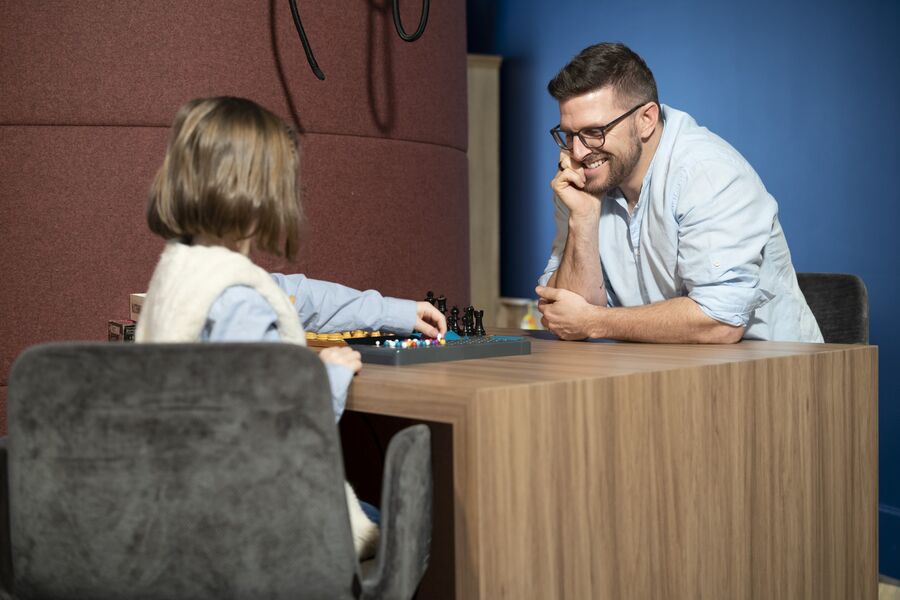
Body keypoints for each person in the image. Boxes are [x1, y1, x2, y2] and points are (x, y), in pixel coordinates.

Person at [135, 96, 446, 558]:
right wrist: (329, 375)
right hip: (252, 523)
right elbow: (270, 427)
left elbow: (301, 296)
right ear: (259, 188)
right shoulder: (237, 299)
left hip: (186, 508)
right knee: (411, 534)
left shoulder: (184, 272)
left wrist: (397, 313)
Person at [536, 43, 822, 344]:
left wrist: (596, 322)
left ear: (645, 119)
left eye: (595, 131)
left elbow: (720, 322)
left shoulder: (708, 173)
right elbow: (567, 317)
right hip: (664, 374)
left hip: (776, 376)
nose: (579, 151)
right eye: (569, 134)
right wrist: (582, 218)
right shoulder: (584, 184)